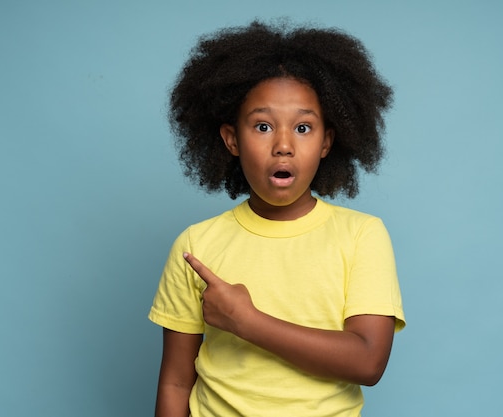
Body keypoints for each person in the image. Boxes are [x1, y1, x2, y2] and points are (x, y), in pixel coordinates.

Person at [149, 20, 406, 417]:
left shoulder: (362, 236)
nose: (283, 145)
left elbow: (368, 362)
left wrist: (248, 322)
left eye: (303, 128)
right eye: (263, 126)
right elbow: (176, 381)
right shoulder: (195, 246)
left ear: (326, 142)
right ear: (232, 139)